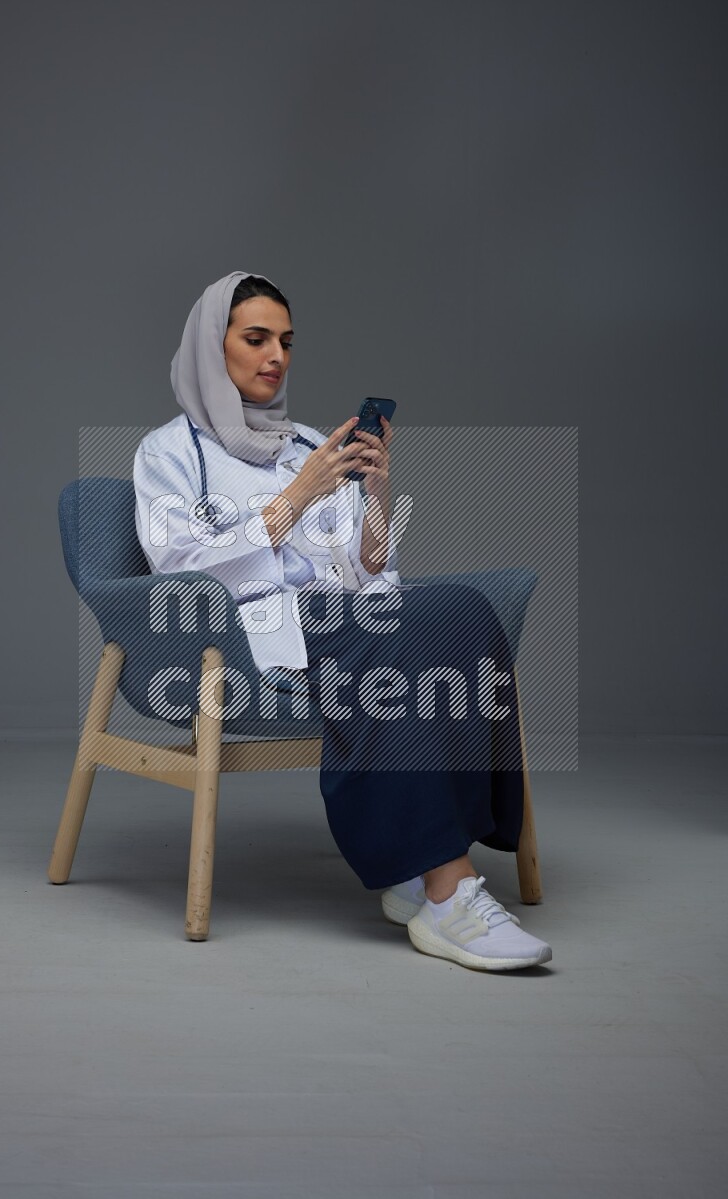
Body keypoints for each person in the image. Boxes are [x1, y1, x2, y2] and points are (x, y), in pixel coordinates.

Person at [133, 270, 552, 972]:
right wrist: (294, 499)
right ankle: (449, 895)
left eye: (287, 341)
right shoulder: (167, 452)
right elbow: (178, 566)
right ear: (213, 346)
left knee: (462, 610)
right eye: (256, 338)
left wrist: (376, 488)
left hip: (336, 614)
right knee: (390, 629)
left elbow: (369, 571)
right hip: (240, 631)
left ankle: (419, 871)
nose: (276, 356)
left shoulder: (307, 444)